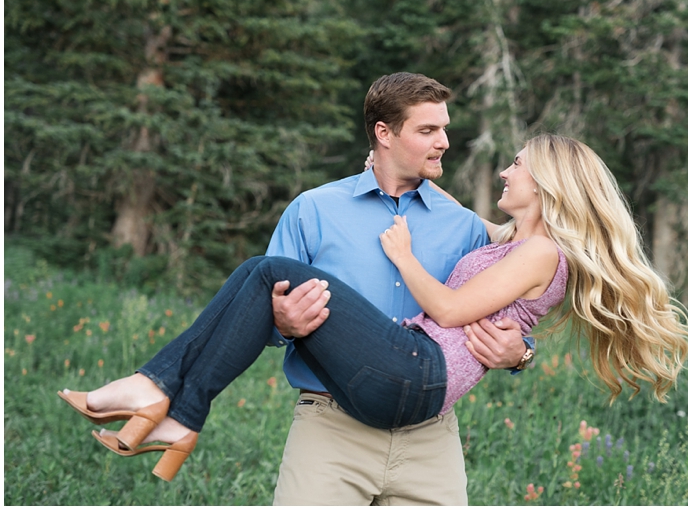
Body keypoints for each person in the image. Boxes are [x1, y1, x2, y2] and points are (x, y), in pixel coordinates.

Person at [60, 73, 533, 502]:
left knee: (260, 268)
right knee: (262, 272)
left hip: (431, 439)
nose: (445, 142)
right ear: (383, 134)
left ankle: (164, 399)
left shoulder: (465, 227)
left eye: (444, 128)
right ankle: (163, 399)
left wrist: (520, 353)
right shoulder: (314, 210)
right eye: (428, 131)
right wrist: (283, 323)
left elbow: (508, 303)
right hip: (330, 431)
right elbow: (257, 318)